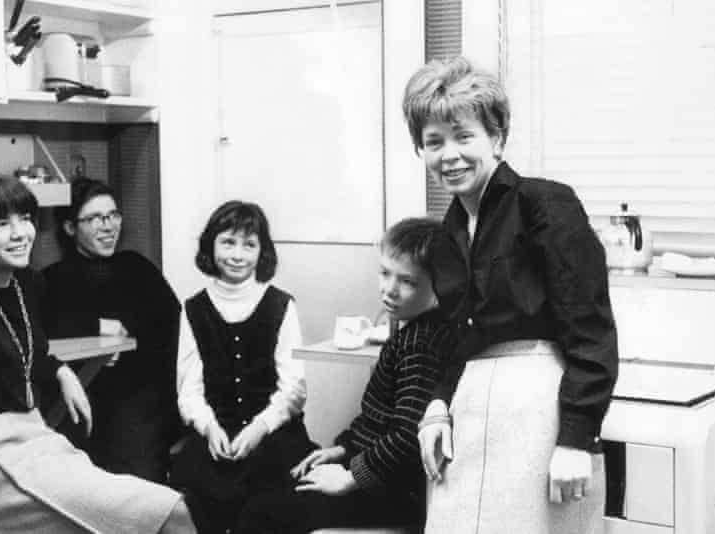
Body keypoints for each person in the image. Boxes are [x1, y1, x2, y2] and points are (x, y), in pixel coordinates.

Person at [0, 175, 195, 534]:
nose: (21, 232)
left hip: (34, 436)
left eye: (25, 218)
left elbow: (29, 350)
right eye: (1, 225)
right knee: (167, 513)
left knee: (162, 511)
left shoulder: (26, 285)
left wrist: (60, 371)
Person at [408, 56, 618, 533]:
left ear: (496, 138)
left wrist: (576, 439)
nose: (450, 155)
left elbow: (591, 330)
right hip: (468, 411)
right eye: (433, 142)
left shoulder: (545, 203)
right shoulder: (446, 236)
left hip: (538, 405)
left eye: (464, 137)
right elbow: (460, 338)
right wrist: (438, 405)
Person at [234, 217, 458, 534]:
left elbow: (407, 435)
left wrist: (350, 477)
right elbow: (377, 421)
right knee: (272, 485)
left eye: (408, 281)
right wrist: (343, 450)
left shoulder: (420, 342)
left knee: (262, 513)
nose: (390, 290)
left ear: (440, 285)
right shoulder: (415, 331)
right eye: (385, 273)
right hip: (383, 478)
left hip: (396, 492)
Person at [172, 200, 316, 534]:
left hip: (271, 435)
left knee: (263, 509)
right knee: (201, 506)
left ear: (262, 252)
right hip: (217, 437)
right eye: (228, 242)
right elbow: (189, 390)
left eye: (249, 244)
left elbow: (293, 390)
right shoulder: (192, 308)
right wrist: (209, 428)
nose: (237, 254)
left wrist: (258, 429)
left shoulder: (282, 304)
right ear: (211, 245)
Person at [43, 177, 181, 483]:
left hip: (144, 397)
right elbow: (42, 326)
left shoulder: (137, 267)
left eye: (113, 215)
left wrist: (128, 344)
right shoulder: (53, 278)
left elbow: (172, 325)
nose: (108, 226)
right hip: (83, 396)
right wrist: (98, 327)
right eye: (94, 218)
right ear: (69, 228)